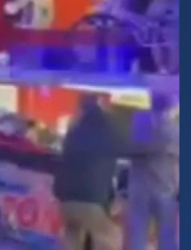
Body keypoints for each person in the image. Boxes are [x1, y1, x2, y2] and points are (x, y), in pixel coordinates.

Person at [53, 93, 124, 250]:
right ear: (101, 103)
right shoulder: (109, 131)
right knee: (110, 237)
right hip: (91, 199)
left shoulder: (74, 130)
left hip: (66, 197)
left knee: (72, 237)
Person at [124, 93, 180, 250]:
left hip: (139, 189)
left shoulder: (140, 123)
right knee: (167, 238)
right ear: (171, 107)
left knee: (138, 237)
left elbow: (134, 149)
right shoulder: (174, 130)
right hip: (165, 189)